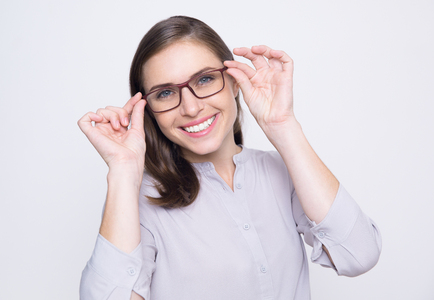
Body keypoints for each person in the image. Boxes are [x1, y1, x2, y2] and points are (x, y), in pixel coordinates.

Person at [78, 16, 381, 300]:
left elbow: (360, 254)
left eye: (205, 80)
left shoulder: (280, 171)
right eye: (166, 93)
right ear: (147, 109)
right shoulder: (140, 197)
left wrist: (283, 126)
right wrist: (122, 171)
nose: (191, 108)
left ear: (235, 81)